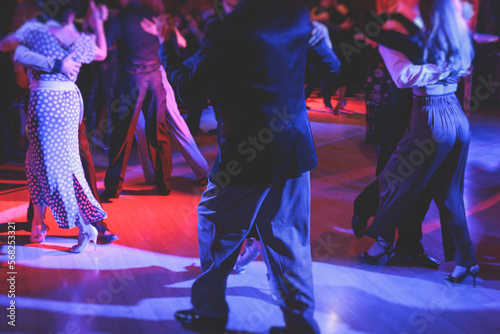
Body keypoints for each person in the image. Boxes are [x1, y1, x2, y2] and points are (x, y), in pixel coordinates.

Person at [157, 0, 340, 332]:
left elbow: (189, 90)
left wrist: (166, 45)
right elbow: (331, 69)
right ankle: (300, 322)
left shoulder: (227, 28)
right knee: (288, 236)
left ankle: (210, 311)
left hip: (247, 151)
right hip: (294, 146)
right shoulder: (296, 13)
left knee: (215, 223)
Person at [359, 0, 479, 286]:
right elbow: (465, 65)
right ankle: (467, 262)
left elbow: (401, 78)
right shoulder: (449, 26)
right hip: (456, 117)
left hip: (431, 117)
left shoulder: (393, 30)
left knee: (391, 179)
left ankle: (382, 245)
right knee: (448, 194)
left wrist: (439, 69)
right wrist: (447, 68)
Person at [1, 0, 108, 252]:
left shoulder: (37, 31)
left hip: (47, 102)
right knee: (38, 162)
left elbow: (6, 45)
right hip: (68, 102)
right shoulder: (79, 38)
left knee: (51, 168)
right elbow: (102, 53)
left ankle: (84, 226)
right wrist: (99, 23)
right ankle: (38, 225)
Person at [352, 0, 439, 269]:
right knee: (394, 174)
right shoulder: (394, 19)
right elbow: (405, 62)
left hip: (434, 106)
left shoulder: (438, 15)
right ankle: (381, 233)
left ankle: (410, 245)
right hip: (402, 106)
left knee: (424, 180)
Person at [101, 0, 172, 199]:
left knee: (122, 133)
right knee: (158, 131)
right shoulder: (155, 17)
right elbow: (171, 44)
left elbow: (103, 50)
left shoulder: (120, 19)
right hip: (155, 78)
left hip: (131, 79)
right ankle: (165, 184)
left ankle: (114, 187)